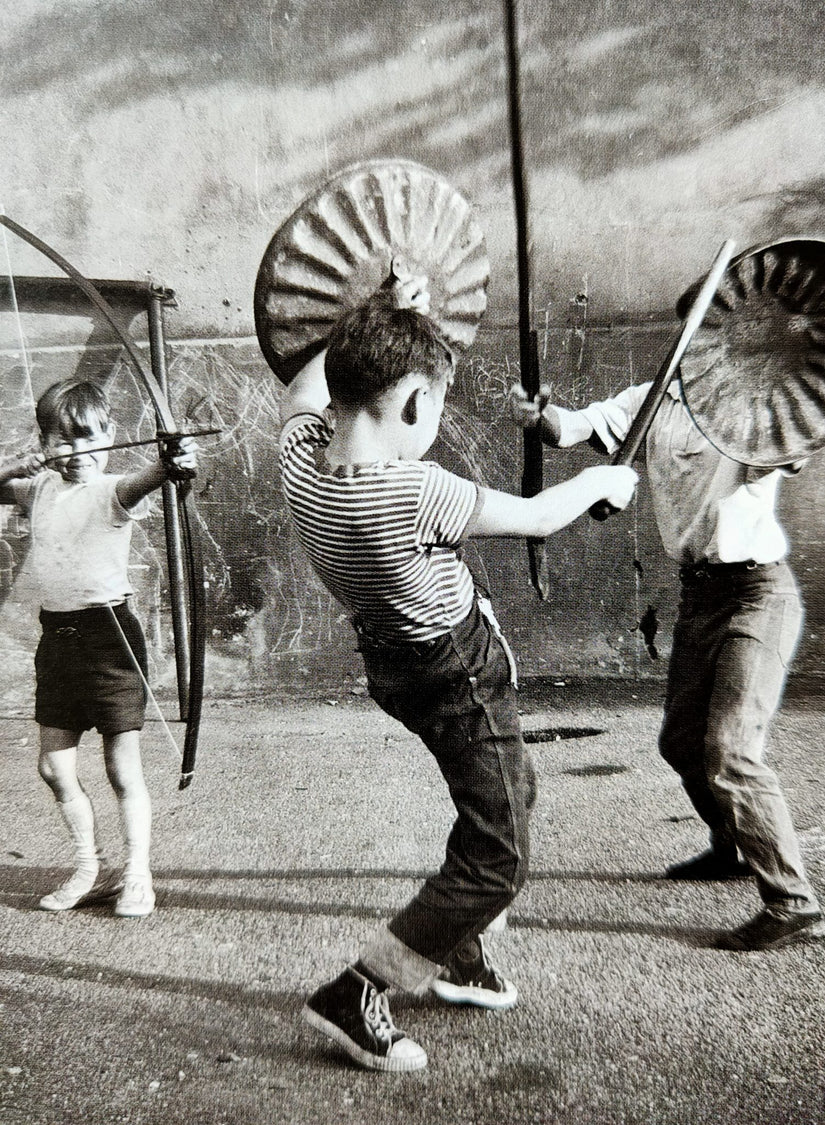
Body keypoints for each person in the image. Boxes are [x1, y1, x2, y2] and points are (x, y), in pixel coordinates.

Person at [277, 273, 637, 1073]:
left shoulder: (301, 458)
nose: (434, 425)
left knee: (505, 798)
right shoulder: (411, 489)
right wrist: (603, 481)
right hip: (458, 675)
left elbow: (310, 385)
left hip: (397, 667)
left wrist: (380, 305)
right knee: (503, 854)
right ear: (410, 403)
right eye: (434, 408)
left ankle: (456, 944)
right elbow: (539, 515)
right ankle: (360, 989)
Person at [508, 365, 825, 954]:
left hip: (759, 595)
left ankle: (793, 900)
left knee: (729, 752)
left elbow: (795, 444)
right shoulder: (653, 397)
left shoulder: (749, 403)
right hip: (700, 595)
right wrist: (540, 415)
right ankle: (729, 848)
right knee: (681, 742)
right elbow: (570, 429)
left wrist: (782, 419)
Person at [0, 380, 198, 919]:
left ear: (109, 436)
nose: (75, 452)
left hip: (108, 640)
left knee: (121, 768)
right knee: (54, 767)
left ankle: (138, 873)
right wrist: (13, 465)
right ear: (43, 443)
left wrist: (174, 460)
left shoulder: (113, 489)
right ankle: (91, 867)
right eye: (60, 441)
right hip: (56, 641)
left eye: (88, 438)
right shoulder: (37, 488)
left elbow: (152, 476)